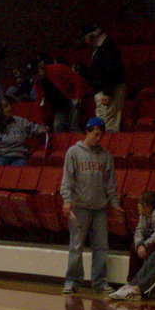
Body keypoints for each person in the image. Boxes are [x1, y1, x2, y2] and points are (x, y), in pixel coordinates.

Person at [60, 116, 123, 295]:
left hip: (100, 208)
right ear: (87, 132)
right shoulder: (73, 152)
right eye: (95, 134)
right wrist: (67, 200)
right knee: (76, 245)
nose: (98, 138)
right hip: (79, 207)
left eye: (100, 135)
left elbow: (111, 182)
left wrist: (115, 203)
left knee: (102, 246)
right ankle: (72, 281)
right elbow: (67, 179)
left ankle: (100, 281)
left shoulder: (105, 155)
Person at [0, 94, 47, 166]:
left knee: (18, 168)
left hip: (19, 156)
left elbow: (33, 129)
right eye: (6, 107)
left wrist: (43, 129)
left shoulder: (19, 121)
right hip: (1, 156)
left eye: (8, 106)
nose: (9, 108)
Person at [81, 24, 126, 132]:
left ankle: (108, 145)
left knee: (107, 122)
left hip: (107, 90)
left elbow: (110, 71)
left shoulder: (107, 47)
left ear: (90, 37)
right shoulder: (101, 47)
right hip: (103, 90)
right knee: (104, 121)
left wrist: (107, 92)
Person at [33, 56, 92, 132]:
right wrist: (41, 122)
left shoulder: (58, 69)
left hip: (73, 102)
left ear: (41, 68)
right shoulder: (37, 83)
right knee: (58, 127)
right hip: (59, 108)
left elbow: (78, 81)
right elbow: (40, 104)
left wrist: (78, 97)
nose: (38, 77)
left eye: (38, 74)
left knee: (74, 128)